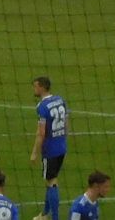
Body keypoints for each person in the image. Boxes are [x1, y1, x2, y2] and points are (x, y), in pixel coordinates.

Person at [32, 76, 69, 218]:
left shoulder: (42, 107)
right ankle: (44, 213)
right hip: (61, 147)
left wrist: (34, 153)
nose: (34, 89)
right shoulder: (60, 100)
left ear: (42, 87)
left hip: (50, 150)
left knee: (51, 182)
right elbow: (66, 123)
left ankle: (55, 217)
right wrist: (63, 140)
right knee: (51, 180)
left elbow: (41, 133)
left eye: (35, 86)